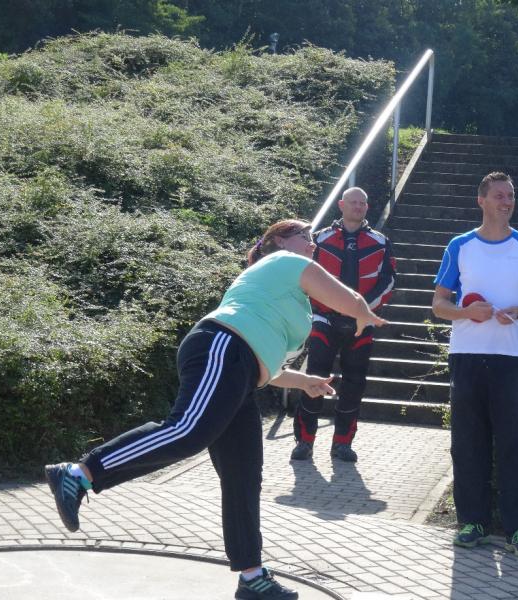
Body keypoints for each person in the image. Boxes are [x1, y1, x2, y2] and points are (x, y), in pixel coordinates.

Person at [44, 219, 387, 600]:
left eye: (312, 239)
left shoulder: (287, 298)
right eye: (303, 236)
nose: (312, 243)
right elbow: (345, 298)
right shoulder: (283, 263)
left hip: (242, 373)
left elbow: (269, 365)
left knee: (243, 475)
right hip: (222, 347)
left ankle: (252, 575)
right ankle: (80, 472)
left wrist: (304, 381)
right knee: (188, 430)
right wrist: (362, 311)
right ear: (277, 241)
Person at [431, 172, 518, 559]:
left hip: (508, 359)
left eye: (510, 195)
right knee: (467, 443)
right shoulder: (460, 245)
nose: (506, 201)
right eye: (499, 195)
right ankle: (473, 523)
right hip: (465, 356)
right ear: (481, 200)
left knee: (513, 444)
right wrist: (467, 312)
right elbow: (439, 305)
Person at [290, 187, 396, 462]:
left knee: (354, 383)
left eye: (363, 203)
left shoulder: (380, 241)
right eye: (353, 202)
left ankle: (342, 444)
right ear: (341, 205)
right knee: (314, 378)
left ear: (367, 207)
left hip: (362, 322)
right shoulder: (320, 238)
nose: (358, 207)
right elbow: (304, 274)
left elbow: (388, 281)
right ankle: (304, 441)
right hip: (324, 318)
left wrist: (363, 309)